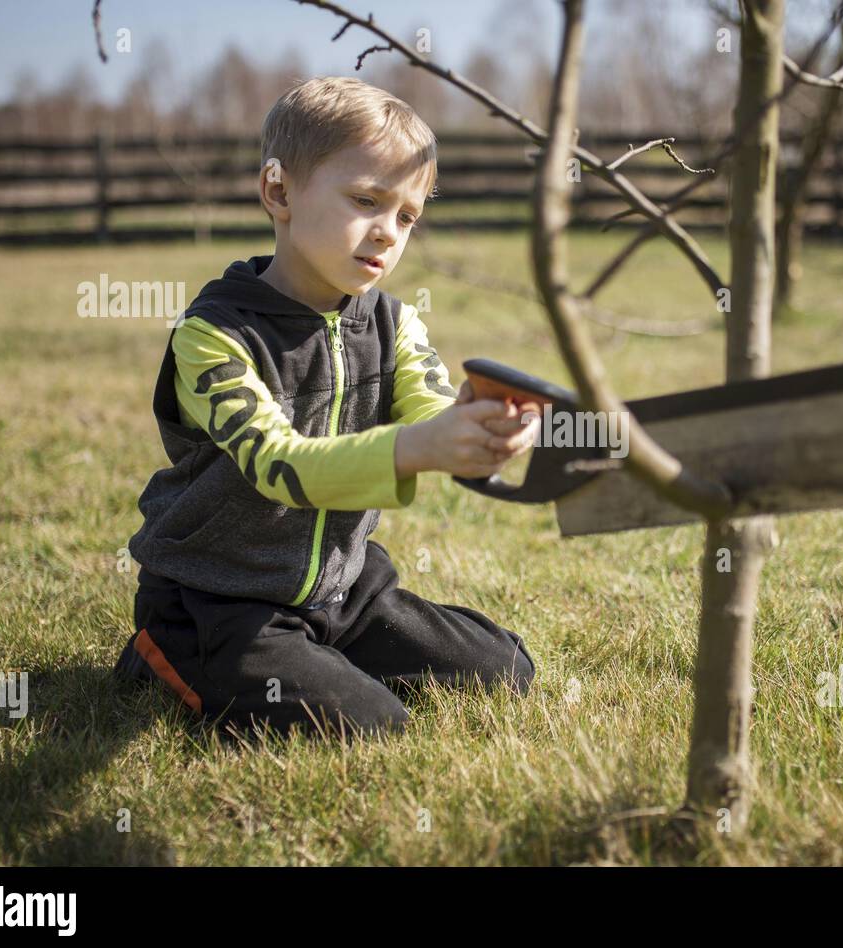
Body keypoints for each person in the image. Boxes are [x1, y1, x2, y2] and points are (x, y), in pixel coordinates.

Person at [115, 76, 538, 738]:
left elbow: (425, 404)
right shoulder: (214, 335)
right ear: (278, 191)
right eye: (366, 200)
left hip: (344, 590)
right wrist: (413, 450)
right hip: (217, 600)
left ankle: (320, 650)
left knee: (506, 667)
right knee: (372, 723)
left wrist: (469, 426)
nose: (387, 234)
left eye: (406, 216)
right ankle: (160, 651)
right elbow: (277, 464)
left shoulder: (395, 323)